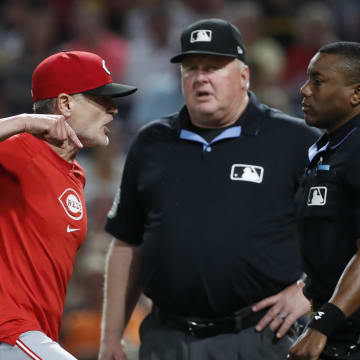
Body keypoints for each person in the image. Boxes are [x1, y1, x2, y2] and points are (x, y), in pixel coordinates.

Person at [99, 18, 318, 360]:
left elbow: (345, 228)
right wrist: (111, 338)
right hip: (165, 340)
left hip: (258, 339)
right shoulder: (152, 142)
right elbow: (128, 242)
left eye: (214, 67)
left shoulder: (296, 142)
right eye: (192, 68)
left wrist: (309, 291)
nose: (201, 77)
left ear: (243, 76)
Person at [0, 50, 136, 360]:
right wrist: (23, 121)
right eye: (101, 100)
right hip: (8, 329)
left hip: (37, 334)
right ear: (64, 104)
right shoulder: (20, 149)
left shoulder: (76, 173)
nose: (113, 110)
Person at [288, 42, 360, 359]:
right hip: (335, 328)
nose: (304, 90)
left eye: (318, 81)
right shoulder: (328, 150)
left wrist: (321, 325)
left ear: (356, 94)